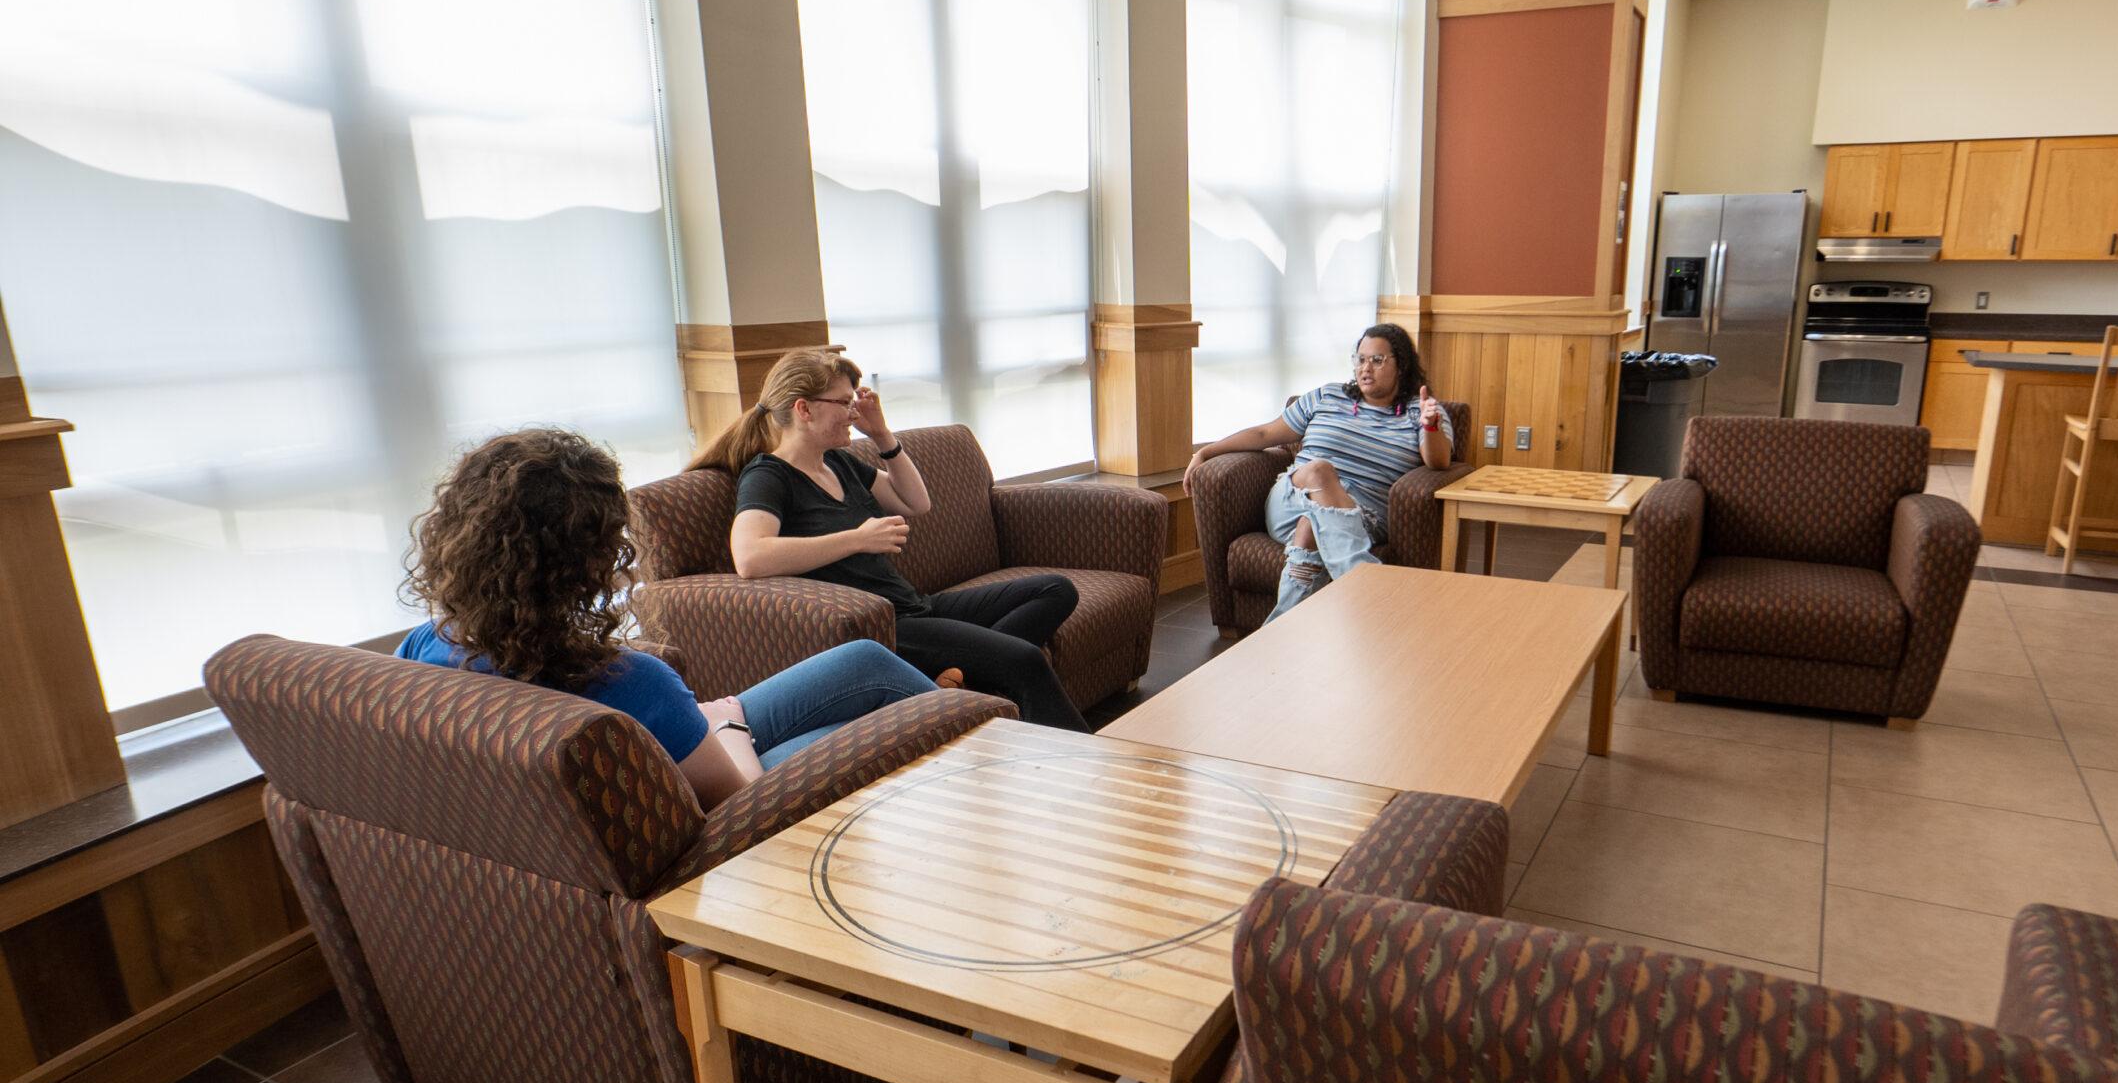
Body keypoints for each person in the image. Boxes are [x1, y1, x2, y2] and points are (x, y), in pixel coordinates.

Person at [399, 427, 940, 808]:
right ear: (591, 559)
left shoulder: (425, 645)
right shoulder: (634, 682)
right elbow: (743, 810)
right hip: (727, 816)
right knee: (888, 724)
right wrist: (728, 730)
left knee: (867, 661)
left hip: (632, 776)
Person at [689, 349, 1090, 732]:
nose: (853, 413)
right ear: (804, 409)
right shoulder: (768, 475)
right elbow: (750, 556)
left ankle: (962, 679)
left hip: (916, 606)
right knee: (1024, 659)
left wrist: (882, 435)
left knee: (1056, 589)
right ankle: (1091, 764)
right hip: (884, 626)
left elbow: (916, 502)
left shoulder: (837, 462)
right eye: (843, 402)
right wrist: (857, 539)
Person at [1184, 323, 1451, 619]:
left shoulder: (1422, 411)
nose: (1366, 368)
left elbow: (1438, 462)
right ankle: (1368, 586)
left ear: (1401, 365)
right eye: (1361, 359)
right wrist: (1206, 452)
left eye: (1377, 360)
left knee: (1310, 527)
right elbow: (1264, 434)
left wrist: (1431, 426)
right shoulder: (1328, 396)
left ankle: (1281, 632)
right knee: (1320, 471)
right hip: (1293, 500)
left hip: (1364, 518)